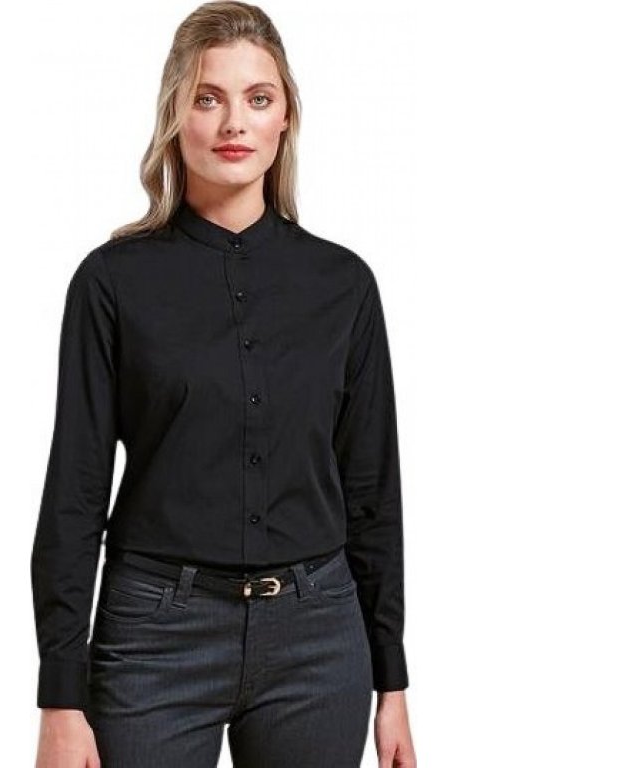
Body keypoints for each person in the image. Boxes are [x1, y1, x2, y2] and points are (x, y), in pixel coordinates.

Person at [31, 3, 416, 766]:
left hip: (318, 640)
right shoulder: (111, 283)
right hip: (154, 638)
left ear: (285, 117)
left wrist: (392, 681)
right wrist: (60, 697)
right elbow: (75, 492)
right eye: (208, 98)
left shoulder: (343, 286)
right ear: (176, 115)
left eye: (257, 98)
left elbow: (373, 491)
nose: (234, 122)